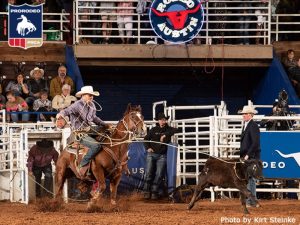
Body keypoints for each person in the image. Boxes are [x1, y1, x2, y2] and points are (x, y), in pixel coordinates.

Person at [56, 86, 112, 177]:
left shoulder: (92, 105)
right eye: (89, 95)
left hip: (89, 130)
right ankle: (83, 164)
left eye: (92, 95)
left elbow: (94, 118)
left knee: (108, 133)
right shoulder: (77, 105)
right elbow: (67, 111)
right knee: (95, 145)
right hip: (79, 133)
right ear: (83, 95)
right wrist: (60, 115)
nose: (91, 97)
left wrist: (104, 125)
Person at [143, 112, 178, 200]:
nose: (163, 121)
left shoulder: (168, 129)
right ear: (158, 121)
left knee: (159, 174)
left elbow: (177, 130)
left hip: (162, 155)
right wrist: (148, 148)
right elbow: (146, 139)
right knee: (149, 173)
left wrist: (166, 134)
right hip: (151, 154)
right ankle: (146, 191)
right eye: (161, 120)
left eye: (164, 120)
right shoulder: (153, 129)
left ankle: (154, 191)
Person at [238, 105, 261, 208]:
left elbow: (255, 143)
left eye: (245, 114)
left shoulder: (253, 126)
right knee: (249, 178)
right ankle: (252, 200)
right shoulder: (247, 125)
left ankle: (251, 201)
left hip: (251, 156)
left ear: (251, 115)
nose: (243, 115)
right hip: (247, 155)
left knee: (250, 178)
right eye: (243, 114)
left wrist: (248, 155)